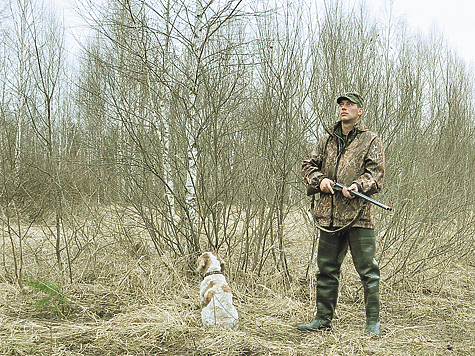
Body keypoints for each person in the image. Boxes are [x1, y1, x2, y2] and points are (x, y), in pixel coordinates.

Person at [298, 92, 385, 336]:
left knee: (368, 272)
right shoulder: (326, 140)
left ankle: (373, 324)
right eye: (342, 105)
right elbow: (308, 167)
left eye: (350, 105)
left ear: (361, 111)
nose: (344, 108)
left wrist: (358, 186)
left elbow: (375, 175)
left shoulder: (371, 140)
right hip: (329, 218)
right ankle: (322, 320)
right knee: (326, 271)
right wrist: (321, 180)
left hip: (360, 217)